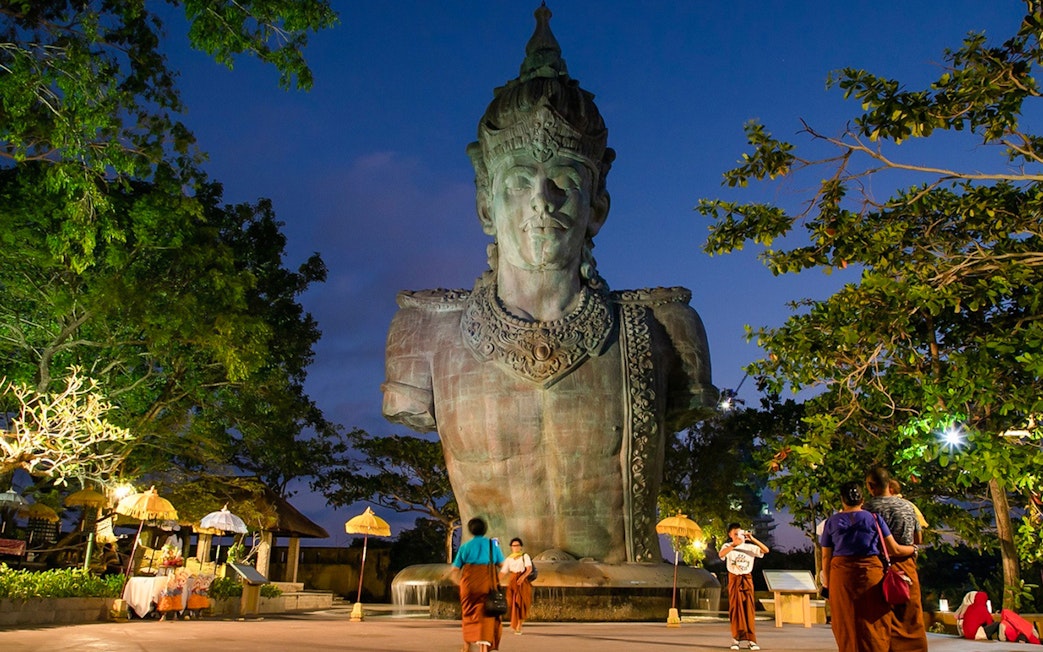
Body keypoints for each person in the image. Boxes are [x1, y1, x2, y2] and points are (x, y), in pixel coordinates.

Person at [382, 3, 715, 566]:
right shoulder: (424, 333)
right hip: (488, 580)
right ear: (486, 203)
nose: (542, 200)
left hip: (628, 584)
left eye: (564, 178)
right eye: (518, 182)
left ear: (598, 204)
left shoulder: (664, 327)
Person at [820, 481, 916, 652]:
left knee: (846, 621)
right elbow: (893, 548)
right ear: (862, 499)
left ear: (842, 499)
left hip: (842, 577)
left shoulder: (831, 522)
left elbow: (826, 556)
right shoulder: (874, 518)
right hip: (871, 575)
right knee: (874, 619)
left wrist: (827, 583)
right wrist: (913, 549)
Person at [864, 468, 927, 651]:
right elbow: (919, 539)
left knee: (880, 618)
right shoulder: (908, 506)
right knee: (910, 617)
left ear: (871, 486)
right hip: (906, 566)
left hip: (878, 567)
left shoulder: (868, 509)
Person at [452, 518, 505, 652]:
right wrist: (497, 579)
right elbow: (503, 566)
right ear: (485, 529)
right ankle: (483, 647)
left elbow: (455, 570)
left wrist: (458, 583)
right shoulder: (493, 546)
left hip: (468, 584)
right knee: (486, 614)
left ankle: (467, 645)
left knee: (468, 613)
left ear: (470, 530)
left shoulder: (465, 546)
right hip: (486, 584)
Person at [718, 523, 769, 650]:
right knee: (735, 609)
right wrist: (733, 545)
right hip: (734, 578)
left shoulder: (750, 547)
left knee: (749, 609)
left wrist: (752, 539)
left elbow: (766, 550)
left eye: (739, 533)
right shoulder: (727, 546)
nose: (737, 536)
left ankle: (751, 640)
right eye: (734, 534)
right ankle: (736, 639)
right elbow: (721, 555)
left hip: (747, 579)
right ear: (730, 535)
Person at [499, 537, 534, 635]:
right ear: (511, 547)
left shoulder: (525, 556)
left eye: (517, 545)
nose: (515, 547)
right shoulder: (509, 559)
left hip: (522, 581)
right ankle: (514, 623)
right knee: (512, 602)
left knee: (521, 603)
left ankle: (519, 625)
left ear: (521, 547)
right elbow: (503, 572)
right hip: (513, 581)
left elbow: (529, 569)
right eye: (514, 546)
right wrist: (495, 581)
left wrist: (522, 577)